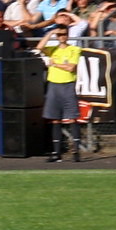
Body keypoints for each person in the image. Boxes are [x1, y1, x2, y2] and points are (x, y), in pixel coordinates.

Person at [36, 24, 83, 162]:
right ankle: (57, 152)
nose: (62, 36)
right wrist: (50, 33)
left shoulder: (74, 49)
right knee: (55, 119)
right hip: (54, 86)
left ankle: (76, 150)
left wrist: (54, 64)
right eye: (60, 34)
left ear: (68, 35)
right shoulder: (53, 49)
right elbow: (39, 48)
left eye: (64, 34)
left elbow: (71, 68)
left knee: (72, 118)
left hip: (67, 85)